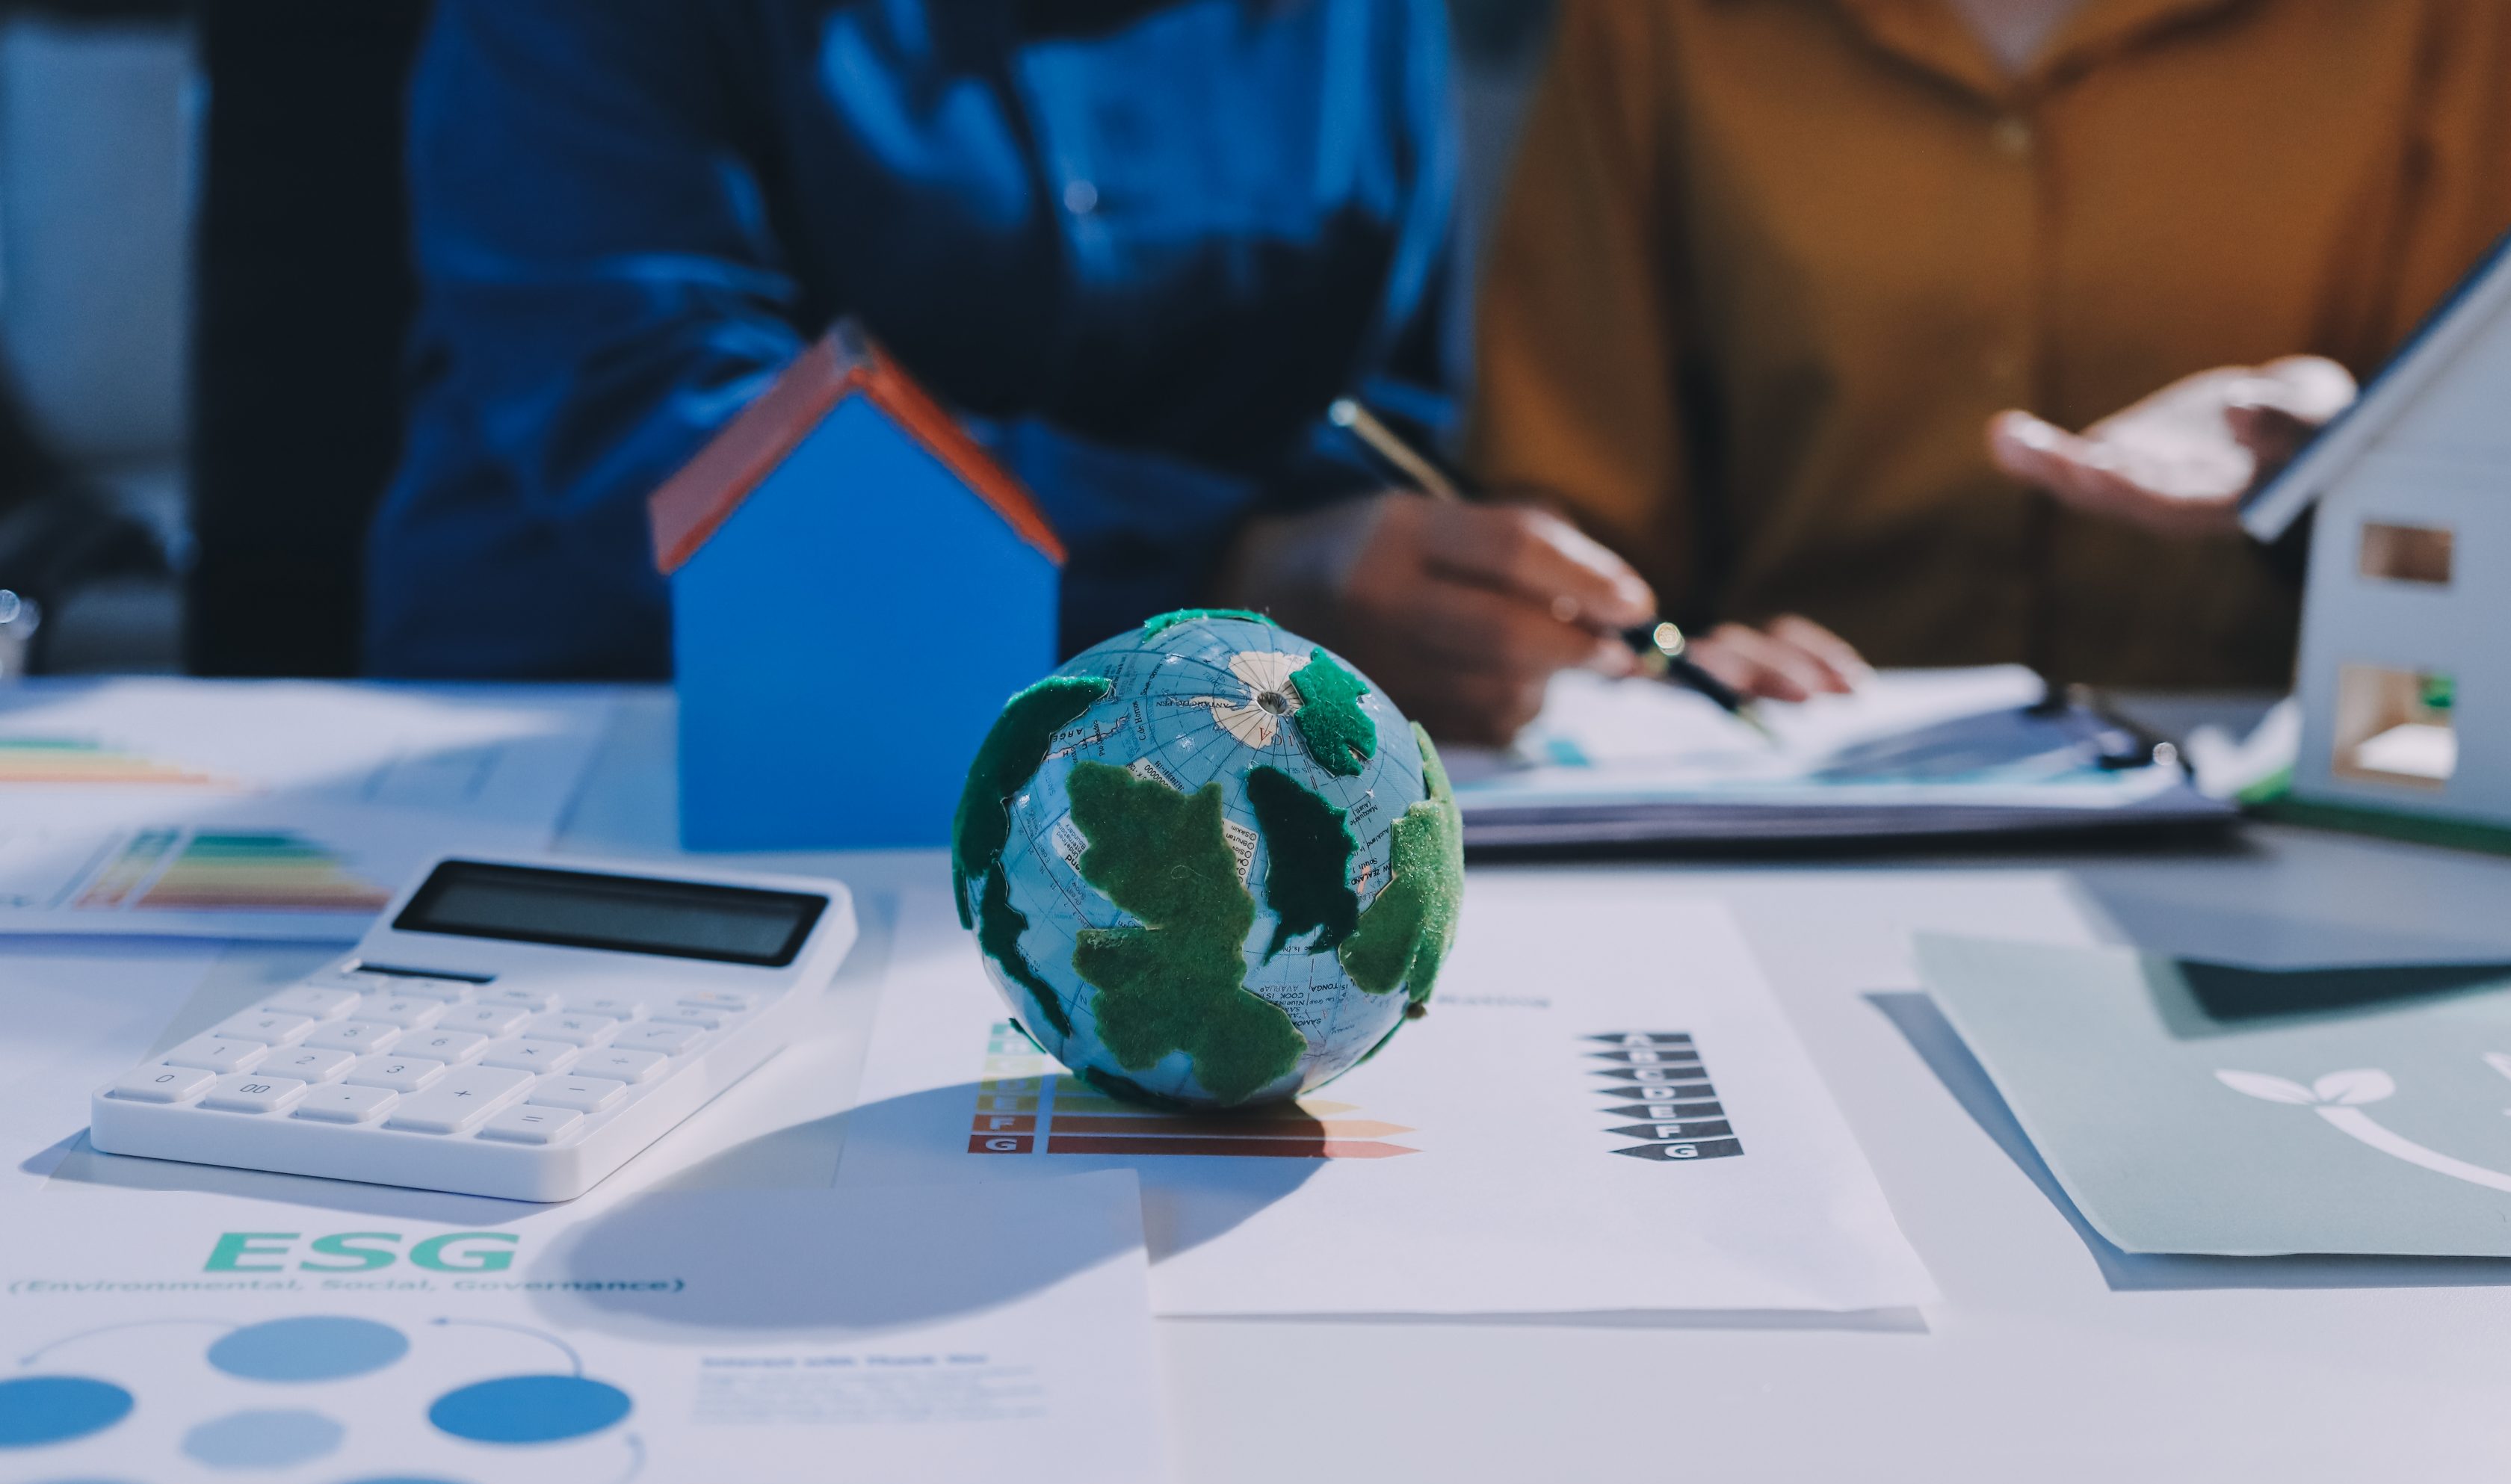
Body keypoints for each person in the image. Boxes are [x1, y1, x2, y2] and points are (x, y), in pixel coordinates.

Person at [368, 0, 1657, 743]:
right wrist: (1215, 576)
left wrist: (1479, 602)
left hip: (1188, 764)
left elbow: (1370, 423)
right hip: (628, 727)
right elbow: (682, 443)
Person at [1470, 0, 2511, 693]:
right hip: (1789, 810)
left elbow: (2481, 519)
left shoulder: (2445, 24)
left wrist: (2339, 464)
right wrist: (1661, 669)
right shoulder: (1658, 24)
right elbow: (1569, 520)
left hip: (2295, 820)